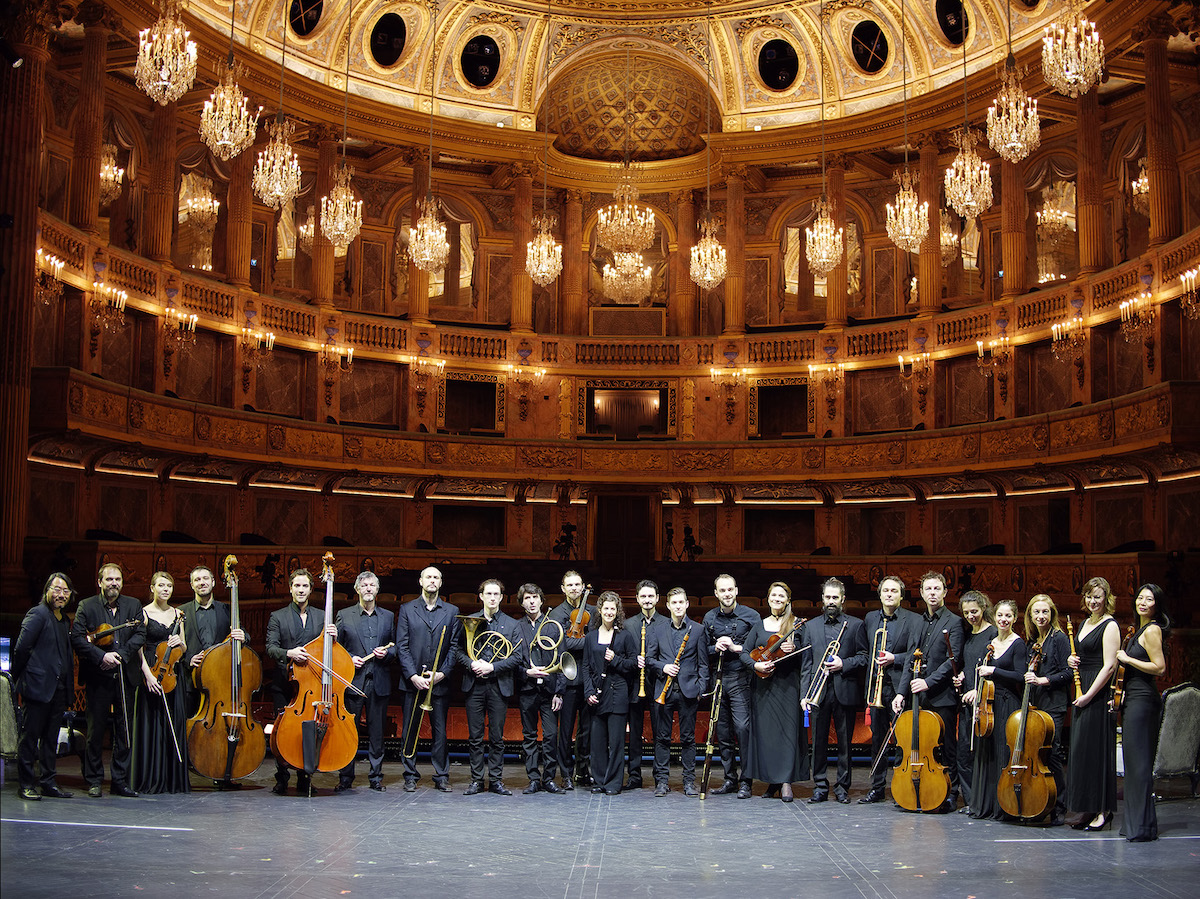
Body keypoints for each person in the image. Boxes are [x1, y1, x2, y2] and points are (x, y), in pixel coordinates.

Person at [70, 562, 146, 799]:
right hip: (98, 676)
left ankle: (119, 781)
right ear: (100, 582)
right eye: (109, 579)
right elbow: (78, 638)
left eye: (118, 580)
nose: (114, 583)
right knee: (95, 730)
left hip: (125, 675)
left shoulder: (133, 605)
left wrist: (119, 656)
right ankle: (94, 780)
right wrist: (101, 655)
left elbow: (140, 634)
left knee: (124, 731)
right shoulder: (87, 605)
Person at [893, 570, 964, 813]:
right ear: (922, 593)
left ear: (945, 592)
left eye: (937, 589)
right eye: (928, 589)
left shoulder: (954, 622)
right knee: (922, 746)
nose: (932, 593)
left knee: (946, 746)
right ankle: (923, 788)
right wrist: (901, 693)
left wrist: (928, 682)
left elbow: (951, 660)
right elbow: (909, 662)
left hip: (941, 695)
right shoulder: (917, 621)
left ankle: (951, 791)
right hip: (917, 695)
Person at [265, 567, 334, 795]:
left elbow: (329, 650)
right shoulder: (278, 616)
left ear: (311, 589)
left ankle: (305, 777)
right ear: (290, 589)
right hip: (284, 682)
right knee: (281, 732)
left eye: (305, 586)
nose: (301, 590)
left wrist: (333, 635)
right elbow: (271, 648)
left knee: (308, 731)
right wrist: (289, 653)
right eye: (297, 585)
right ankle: (282, 777)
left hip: (310, 686)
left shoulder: (321, 616)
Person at [179, 563, 248, 791]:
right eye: (197, 580)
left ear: (214, 582)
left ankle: (221, 771)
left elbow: (242, 633)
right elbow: (175, 647)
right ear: (191, 585)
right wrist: (188, 659)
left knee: (219, 728)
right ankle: (184, 776)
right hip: (193, 681)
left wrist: (242, 635)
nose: (202, 583)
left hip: (220, 683)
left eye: (205, 579)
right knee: (189, 729)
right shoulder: (182, 612)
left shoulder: (226, 610)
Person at [801, 577, 867, 804]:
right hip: (818, 691)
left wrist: (843, 664)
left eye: (835, 598)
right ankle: (819, 785)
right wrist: (805, 695)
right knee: (818, 742)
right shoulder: (810, 626)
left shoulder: (856, 625)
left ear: (843, 599)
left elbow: (863, 658)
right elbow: (806, 665)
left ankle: (842, 787)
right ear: (822, 599)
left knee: (845, 743)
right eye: (827, 597)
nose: (831, 601)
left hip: (844, 690)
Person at [741, 582, 807, 802]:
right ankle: (773, 782)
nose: (777, 599)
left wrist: (795, 649)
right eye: (773, 595)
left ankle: (786, 782)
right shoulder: (759, 626)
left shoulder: (796, 624)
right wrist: (755, 666)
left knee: (786, 735)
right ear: (768, 599)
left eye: (782, 596)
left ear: (788, 600)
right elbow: (744, 653)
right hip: (763, 687)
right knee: (768, 737)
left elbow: (808, 656)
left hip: (788, 686)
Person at [395, 566, 459, 792]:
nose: (432, 581)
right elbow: (401, 646)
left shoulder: (452, 611)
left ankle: (442, 775)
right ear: (420, 581)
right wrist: (412, 675)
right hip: (413, 682)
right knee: (410, 730)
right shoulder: (406, 609)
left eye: (436, 578)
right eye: (428, 577)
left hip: (438, 682)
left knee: (440, 732)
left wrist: (442, 673)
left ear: (441, 583)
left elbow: (454, 647)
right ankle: (410, 774)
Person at [13, 573, 77, 800]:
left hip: (57, 690)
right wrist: (20, 678)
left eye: (65, 591)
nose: (61, 594)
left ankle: (49, 782)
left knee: (51, 740)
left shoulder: (63, 621)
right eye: (57, 589)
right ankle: (27, 784)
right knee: (30, 738)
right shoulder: (38, 614)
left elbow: (65, 658)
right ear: (47, 590)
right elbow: (21, 649)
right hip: (38, 687)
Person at [1065, 576, 1120, 831]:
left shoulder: (1110, 626)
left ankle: (1102, 810)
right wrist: (1071, 661)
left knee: (1097, 752)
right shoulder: (1085, 622)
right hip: (1083, 685)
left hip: (1097, 693)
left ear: (1106, 598)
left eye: (1098, 596)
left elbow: (1109, 666)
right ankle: (1087, 807)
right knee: (1082, 752)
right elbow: (1082, 655)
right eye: (1089, 596)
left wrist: (1088, 696)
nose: (1093, 601)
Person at [460, 578, 523, 796]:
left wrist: (492, 667)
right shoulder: (470, 620)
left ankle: (496, 780)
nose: (493, 598)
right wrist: (471, 664)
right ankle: (477, 780)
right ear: (481, 596)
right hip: (474, 684)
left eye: (496, 594)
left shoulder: (512, 624)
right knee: (475, 737)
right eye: (489, 594)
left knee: (497, 737)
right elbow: (458, 651)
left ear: (501, 597)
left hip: (498, 685)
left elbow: (517, 657)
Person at [1116, 583, 1169, 842]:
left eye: (1149, 599)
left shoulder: (1152, 630)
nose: (1143, 602)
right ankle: (1135, 824)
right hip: (1134, 699)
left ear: (1157, 605)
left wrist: (1127, 659)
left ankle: (1143, 827)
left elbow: (1159, 668)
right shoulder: (1140, 630)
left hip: (1144, 702)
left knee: (1139, 766)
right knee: (1133, 765)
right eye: (1140, 597)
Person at [965, 599, 1026, 820]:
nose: (1003, 620)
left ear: (1015, 618)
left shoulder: (1018, 644)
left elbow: (1020, 675)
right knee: (987, 753)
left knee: (1002, 752)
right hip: (988, 705)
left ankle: (1004, 806)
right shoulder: (990, 642)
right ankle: (986, 804)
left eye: (1008, 616)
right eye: (1000, 615)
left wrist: (994, 671)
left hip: (1008, 703)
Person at [334, 570, 395, 792]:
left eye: (372, 585)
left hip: (378, 681)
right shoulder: (344, 614)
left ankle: (376, 777)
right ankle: (346, 777)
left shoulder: (388, 616)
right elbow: (335, 649)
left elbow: (395, 647)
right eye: (364, 585)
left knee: (377, 732)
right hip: (353, 682)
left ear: (377, 590)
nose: (368, 589)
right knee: (349, 732)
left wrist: (387, 654)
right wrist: (349, 659)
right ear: (357, 589)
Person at [860, 575, 918, 804]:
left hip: (899, 686)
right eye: (886, 590)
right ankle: (877, 787)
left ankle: (901, 786)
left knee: (902, 739)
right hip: (876, 688)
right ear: (880, 594)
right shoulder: (870, 618)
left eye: (894, 591)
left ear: (901, 596)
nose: (889, 594)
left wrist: (895, 658)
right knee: (878, 740)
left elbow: (916, 653)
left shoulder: (913, 620)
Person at [132, 571, 190, 794]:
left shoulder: (178, 614)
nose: (165, 589)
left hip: (173, 675)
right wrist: (147, 675)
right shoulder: (144, 613)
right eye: (161, 585)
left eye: (169, 586)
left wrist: (180, 644)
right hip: (151, 672)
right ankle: (150, 778)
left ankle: (171, 780)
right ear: (152, 588)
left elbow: (183, 649)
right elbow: (138, 647)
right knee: (151, 725)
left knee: (171, 726)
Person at [702, 573, 760, 798]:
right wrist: (715, 647)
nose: (726, 594)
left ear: (736, 590)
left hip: (741, 679)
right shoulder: (709, 617)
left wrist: (737, 648)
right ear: (716, 593)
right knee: (723, 733)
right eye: (722, 590)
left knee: (743, 730)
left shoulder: (751, 615)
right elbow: (702, 650)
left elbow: (759, 647)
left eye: (730, 589)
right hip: (718, 679)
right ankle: (730, 779)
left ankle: (746, 780)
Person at [648, 588, 708, 797]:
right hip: (663, 690)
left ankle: (689, 782)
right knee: (662, 738)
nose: (678, 606)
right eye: (674, 603)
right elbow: (649, 659)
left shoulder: (698, 630)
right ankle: (662, 782)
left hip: (688, 692)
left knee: (688, 739)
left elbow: (703, 664)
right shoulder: (658, 630)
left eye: (681, 602)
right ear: (668, 605)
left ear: (687, 604)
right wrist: (663, 667)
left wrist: (701, 689)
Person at [1024, 594, 1071, 826]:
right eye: (1036, 612)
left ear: (1052, 614)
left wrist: (1043, 680)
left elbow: (1068, 673)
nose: (1041, 616)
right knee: (1037, 756)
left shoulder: (1059, 639)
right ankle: (1040, 802)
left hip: (1054, 704)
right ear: (1030, 616)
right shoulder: (1033, 640)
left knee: (1051, 755)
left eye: (1045, 612)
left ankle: (1059, 806)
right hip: (1037, 704)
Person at [583, 591, 637, 794]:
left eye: (612, 609)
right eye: (605, 608)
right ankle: (599, 781)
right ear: (600, 610)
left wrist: (615, 659)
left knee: (616, 743)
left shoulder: (625, 636)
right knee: (597, 743)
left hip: (618, 695)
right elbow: (586, 667)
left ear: (618, 611)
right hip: (597, 694)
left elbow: (633, 664)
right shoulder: (591, 637)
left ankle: (613, 783)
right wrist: (588, 691)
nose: (609, 612)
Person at [548, 569, 595, 789]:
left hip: (587, 680)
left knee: (586, 731)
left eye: (578, 584)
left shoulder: (593, 612)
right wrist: (587, 644)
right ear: (563, 588)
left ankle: (582, 772)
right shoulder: (557, 614)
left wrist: (582, 643)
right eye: (570, 585)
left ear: (582, 585)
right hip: (566, 680)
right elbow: (562, 645)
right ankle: (565, 774)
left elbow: (597, 641)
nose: (575, 588)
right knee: (565, 732)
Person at [515, 583, 564, 794]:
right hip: (527, 689)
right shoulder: (516, 627)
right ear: (521, 602)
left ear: (542, 600)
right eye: (527, 598)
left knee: (551, 735)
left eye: (535, 597)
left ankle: (549, 778)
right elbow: (512, 660)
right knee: (529, 736)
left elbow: (564, 659)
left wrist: (559, 691)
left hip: (550, 690)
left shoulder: (553, 626)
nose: (532, 601)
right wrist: (526, 672)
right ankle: (533, 778)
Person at [952, 591, 997, 812]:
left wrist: (977, 690)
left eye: (975, 611)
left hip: (984, 701)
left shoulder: (993, 634)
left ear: (984, 608)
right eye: (967, 612)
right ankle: (971, 801)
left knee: (982, 755)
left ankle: (984, 801)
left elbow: (993, 669)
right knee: (964, 754)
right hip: (968, 703)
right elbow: (970, 664)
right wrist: (962, 675)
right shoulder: (969, 635)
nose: (971, 616)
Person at [625, 579, 667, 791]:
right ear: (637, 599)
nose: (647, 600)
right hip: (634, 684)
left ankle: (660, 776)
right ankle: (634, 775)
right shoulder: (629, 624)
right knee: (634, 733)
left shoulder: (667, 623)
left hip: (659, 684)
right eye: (643, 596)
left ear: (658, 599)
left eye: (651, 596)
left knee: (660, 732)